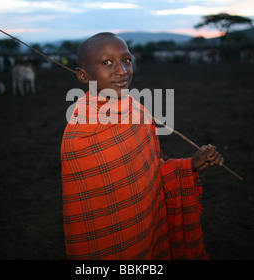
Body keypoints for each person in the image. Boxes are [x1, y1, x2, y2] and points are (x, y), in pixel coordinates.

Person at [60, 32, 223, 260]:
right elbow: (90, 206)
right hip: (112, 243)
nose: (121, 71)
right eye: (107, 63)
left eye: (126, 60)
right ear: (83, 75)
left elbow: (150, 171)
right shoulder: (81, 133)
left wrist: (189, 166)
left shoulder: (137, 111)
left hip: (150, 223)